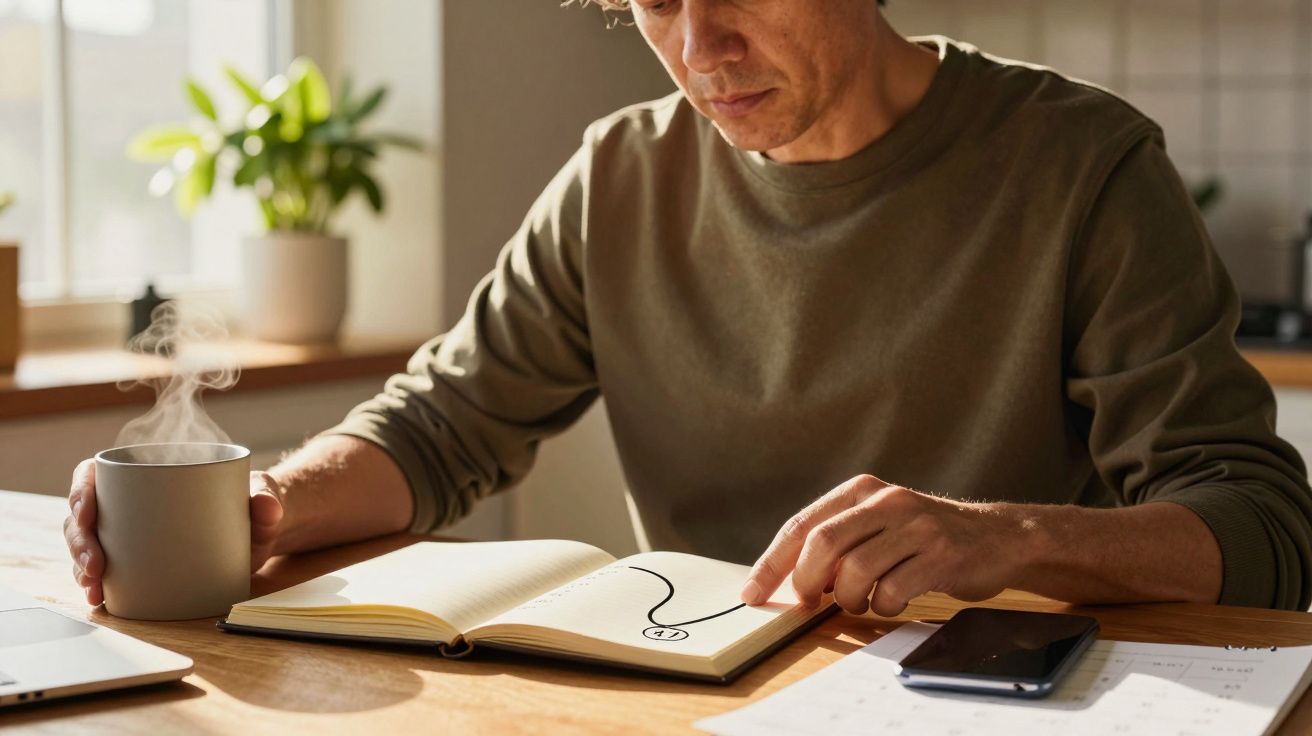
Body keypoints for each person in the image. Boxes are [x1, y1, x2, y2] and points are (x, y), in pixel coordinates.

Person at [65, 0, 1312, 616]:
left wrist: (1007, 540)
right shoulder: (621, 171)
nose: (698, 47)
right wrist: (276, 498)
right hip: (706, 698)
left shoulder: (1081, 163)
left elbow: (1263, 526)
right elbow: (440, 427)